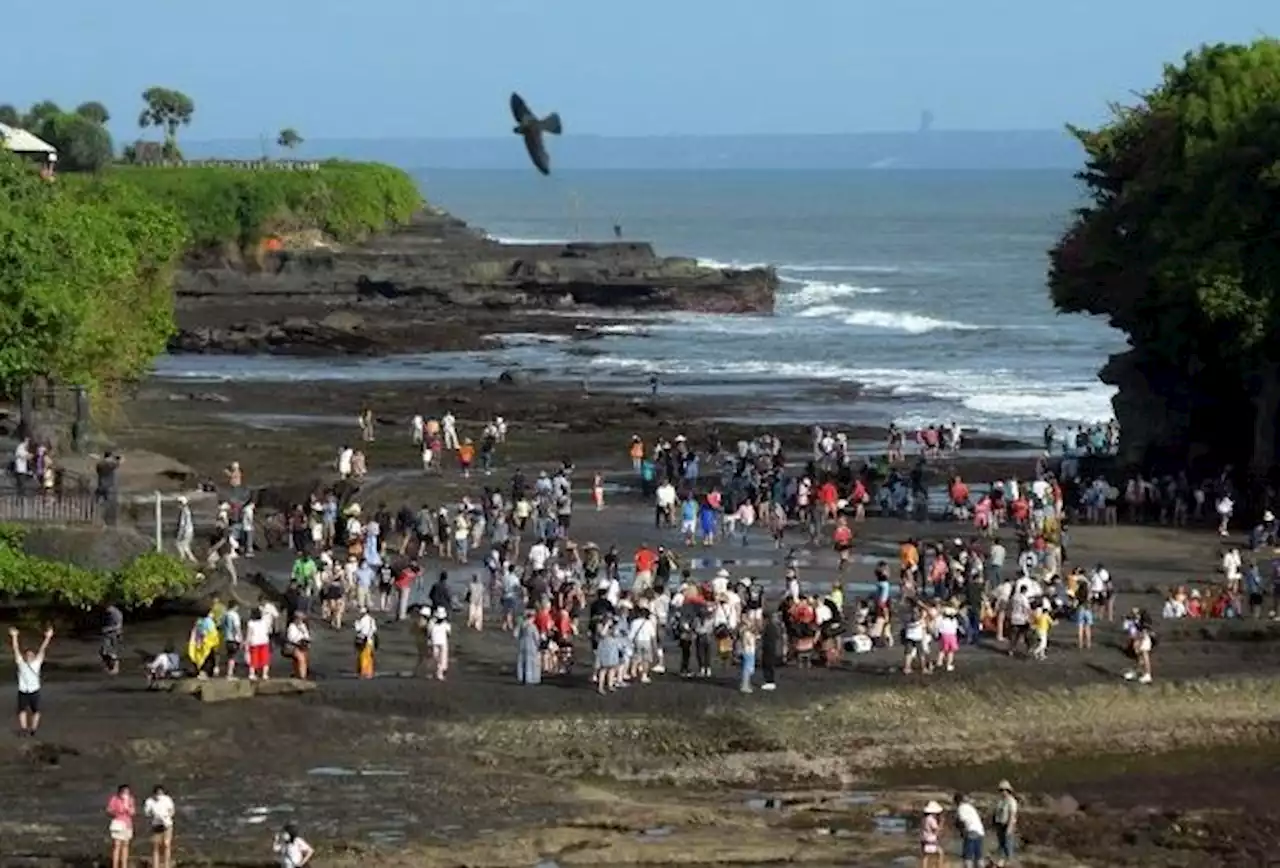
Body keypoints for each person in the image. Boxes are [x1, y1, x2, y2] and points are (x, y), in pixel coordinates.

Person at [10, 625, 52, 736]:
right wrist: (14, 637)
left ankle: (33, 729)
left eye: (31, 655)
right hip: (23, 690)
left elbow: (43, 649)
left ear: (33, 656)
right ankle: (24, 729)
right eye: (27, 655)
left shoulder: (36, 663)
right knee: (22, 711)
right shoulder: (21, 663)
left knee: (36, 711)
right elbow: (16, 649)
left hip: (34, 690)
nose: (29, 656)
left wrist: (48, 637)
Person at [144, 784, 176, 868]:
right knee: (156, 846)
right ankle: (155, 865)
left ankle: (166, 865)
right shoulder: (149, 801)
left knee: (166, 844)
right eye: (157, 793)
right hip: (156, 825)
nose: (159, 795)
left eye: (160, 793)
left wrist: (166, 816)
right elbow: (147, 813)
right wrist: (154, 815)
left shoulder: (167, 799)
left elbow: (172, 811)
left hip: (167, 824)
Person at [106, 784, 136, 868]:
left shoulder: (130, 799)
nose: (126, 793)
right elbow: (109, 810)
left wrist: (128, 808)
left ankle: (124, 865)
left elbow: (133, 812)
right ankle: (115, 865)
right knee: (117, 845)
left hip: (127, 824)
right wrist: (117, 811)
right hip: (118, 823)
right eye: (124, 791)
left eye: (127, 792)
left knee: (125, 845)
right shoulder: (114, 799)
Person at [954, 792, 986, 868]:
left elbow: (963, 822)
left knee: (968, 856)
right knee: (979, 855)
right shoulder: (970, 807)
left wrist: (962, 832)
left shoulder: (961, 808)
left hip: (971, 831)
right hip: (980, 831)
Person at [992, 780, 1019, 868]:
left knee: (1008, 845)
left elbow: (1012, 815)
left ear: (1008, 791)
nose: (1002, 792)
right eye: (1001, 790)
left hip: (1007, 825)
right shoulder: (1000, 801)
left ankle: (1009, 863)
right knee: (1001, 845)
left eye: (1004, 790)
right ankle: (1001, 862)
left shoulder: (1011, 801)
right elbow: (996, 813)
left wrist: (1009, 827)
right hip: (1000, 824)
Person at [516, 609, 541, 685]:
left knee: (522, 662)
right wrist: (538, 645)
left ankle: (522, 677)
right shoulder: (533, 627)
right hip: (531, 646)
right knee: (531, 663)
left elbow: (517, 635)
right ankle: (530, 678)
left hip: (522, 645)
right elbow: (536, 638)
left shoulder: (522, 625)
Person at [286, 612, 312, 679]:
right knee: (301, 659)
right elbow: (291, 638)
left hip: (303, 645)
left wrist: (306, 639)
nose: (301, 621)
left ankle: (298, 673)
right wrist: (300, 640)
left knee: (304, 659)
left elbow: (307, 635)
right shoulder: (291, 626)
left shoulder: (303, 626)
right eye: (299, 619)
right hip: (294, 646)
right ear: (295, 619)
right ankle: (302, 676)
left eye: (302, 619)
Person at [354, 606, 377, 678]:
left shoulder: (362, 620)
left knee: (363, 656)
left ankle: (363, 672)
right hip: (370, 640)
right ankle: (369, 672)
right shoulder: (371, 619)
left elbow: (358, 629)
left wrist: (356, 623)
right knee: (369, 656)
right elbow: (374, 629)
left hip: (363, 639)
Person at [920, 800, 944, 868]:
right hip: (930, 839)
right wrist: (941, 824)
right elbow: (936, 830)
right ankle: (939, 866)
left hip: (924, 839)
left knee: (925, 857)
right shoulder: (931, 819)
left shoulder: (924, 819)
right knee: (940, 853)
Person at [101, 603, 123, 675]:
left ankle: (114, 664)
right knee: (103, 652)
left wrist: (107, 629)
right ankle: (109, 663)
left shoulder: (117, 614)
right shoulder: (108, 613)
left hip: (114, 634)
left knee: (112, 652)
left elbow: (118, 626)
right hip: (108, 634)